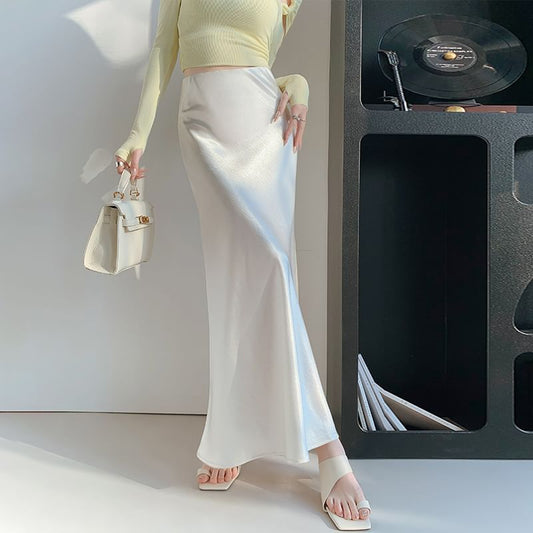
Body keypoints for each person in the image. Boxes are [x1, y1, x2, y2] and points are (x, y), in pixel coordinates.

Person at [113, 1, 372, 529]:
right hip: (201, 123)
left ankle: (324, 447)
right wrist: (138, 133)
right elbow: (165, 48)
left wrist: (298, 83)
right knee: (230, 279)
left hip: (263, 124)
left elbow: (262, 59)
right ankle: (232, 435)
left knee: (274, 268)